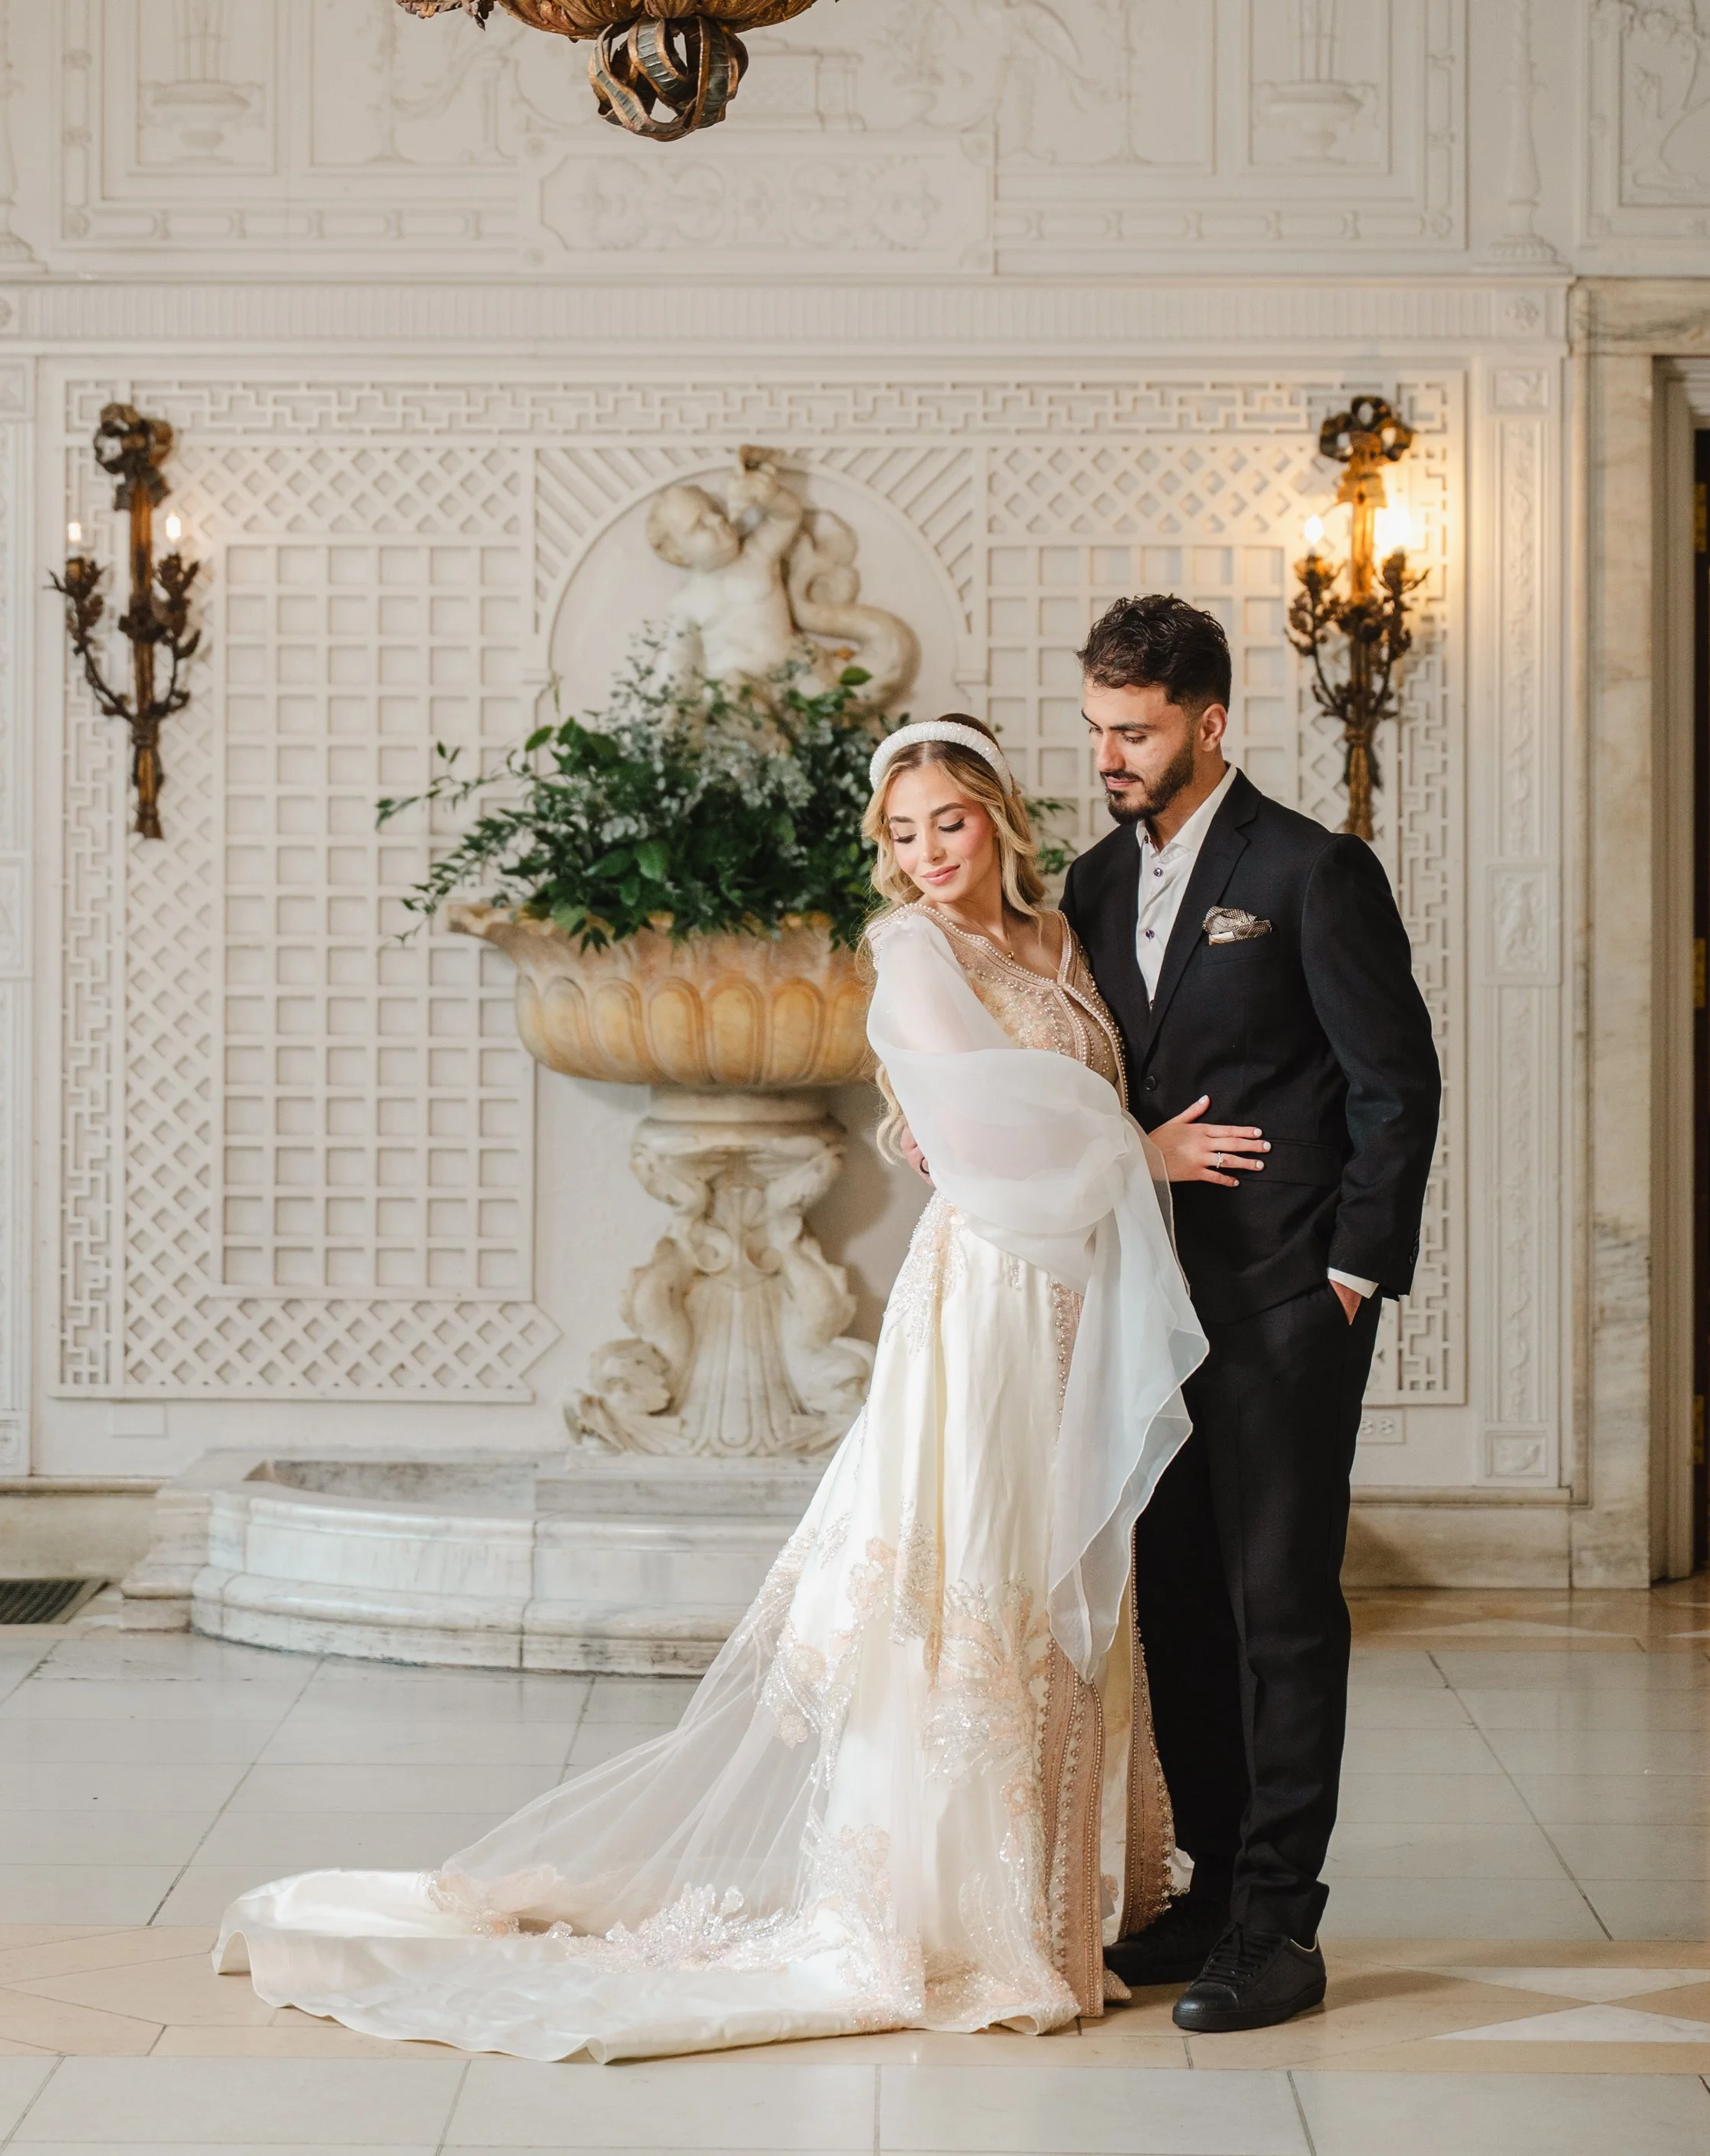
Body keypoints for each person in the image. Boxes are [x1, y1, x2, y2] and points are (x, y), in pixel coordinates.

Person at [214, 713, 1234, 2063]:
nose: (928, 851)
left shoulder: (1059, 938)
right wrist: (1135, 1154)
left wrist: (1071, 1144)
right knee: (975, 1572)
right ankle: (949, 1915)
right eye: (905, 830)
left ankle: (1056, 1914)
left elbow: (1015, 1105)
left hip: (1075, 1294)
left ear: (996, 815)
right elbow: (988, 1127)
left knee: (1069, 1577)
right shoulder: (909, 949)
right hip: (986, 1298)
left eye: (952, 820)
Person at [1066, 594, 1441, 2035]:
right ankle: (1219, 1890)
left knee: (1278, 1608)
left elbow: (1393, 1084)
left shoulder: (1310, 869)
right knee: (1176, 1607)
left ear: (1210, 723)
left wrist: (1350, 1273)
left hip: (1286, 1302)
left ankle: (1284, 1922)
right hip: (1145, 1313)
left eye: (1136, 730)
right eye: (1098, 727)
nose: (1110, 753)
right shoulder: (1093, 885)